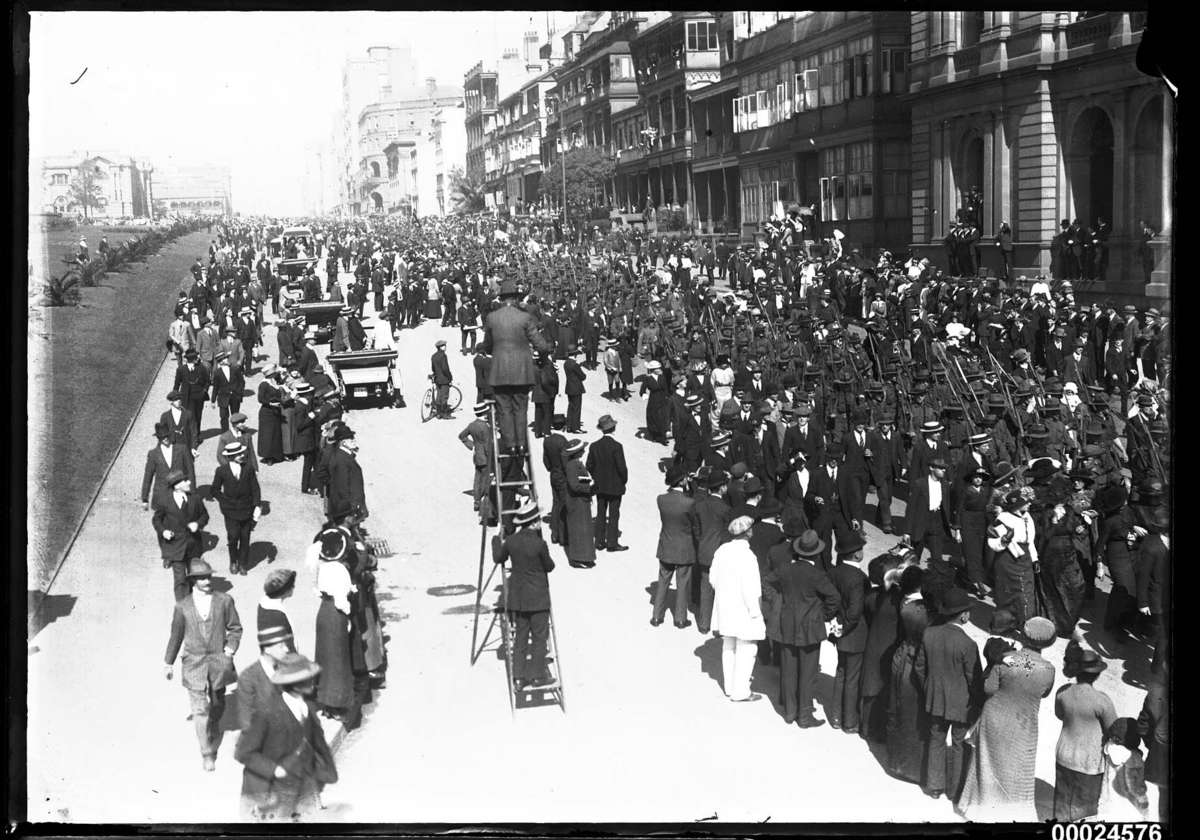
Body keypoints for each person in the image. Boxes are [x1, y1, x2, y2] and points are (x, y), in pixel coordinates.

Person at [955, 616, 1058, 821]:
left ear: (1024, 636)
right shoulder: (1048, 670)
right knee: (1018, 767)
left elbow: (989, 688)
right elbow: (1044, 693)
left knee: (987, 762)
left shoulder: (1005, 659)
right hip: (1024, 722)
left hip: (995, 717)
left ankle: (981, 808)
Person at [234, 652, 338, 821]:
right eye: (306, 678)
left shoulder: (307, 709)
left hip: (302, 787)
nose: (313, 681)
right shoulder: (266, 712)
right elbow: (243, 752)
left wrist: (327, 772)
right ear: (294, 684)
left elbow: (318, 743)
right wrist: (274, 769)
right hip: (268, 792)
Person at [162, 558, 242, 772]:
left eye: (208, 576)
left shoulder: (224, 600)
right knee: (199, 710)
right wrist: (168, 662)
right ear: (193, 580)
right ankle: (207, 753)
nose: (207, 581)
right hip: (194, 663)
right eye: (202, 578)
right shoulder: (182, 606)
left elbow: (235, 628)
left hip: (219, 662)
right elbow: (175, 635)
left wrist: (229, 650)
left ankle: (215, 723)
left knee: (217, 704)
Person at [915, 586, 983, 802]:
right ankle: (954, 790)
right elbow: (974, 679)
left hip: (934, 698)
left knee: (935, 739)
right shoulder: (968, 644)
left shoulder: (929, 634)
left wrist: (928, 688)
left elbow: (919, 667)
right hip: (960, 704)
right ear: (963, 616)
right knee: (958, 744)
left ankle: (934, 786)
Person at [766, 529, 840, 725]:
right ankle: (804, 715)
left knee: (788, 670)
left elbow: (767, 583)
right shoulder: (817, 575)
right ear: (815, 553)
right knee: (808, 673)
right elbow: (834, 597)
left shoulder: (785, 569)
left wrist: (777, 602)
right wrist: (823, 615)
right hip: (810, 628)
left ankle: (790, 712)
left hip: (787, 623)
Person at [479, 278, 552, 454]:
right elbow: (541, 345)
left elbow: (487, 346)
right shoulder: (525, 317)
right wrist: (544, 355)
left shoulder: (492, 318)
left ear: (502, 298)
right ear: (516, 298)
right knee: (520, 408)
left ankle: (510, 444)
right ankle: (521, 444)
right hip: (522, 372)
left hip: (500, 372)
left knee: (504, 409)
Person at [495, 500, 555, 689]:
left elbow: (499, 558)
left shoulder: (511, 541)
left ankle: (518, 678)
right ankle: (537, 676)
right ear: (534, 522)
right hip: (538, 598)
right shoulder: (539, 544)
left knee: (520, 638)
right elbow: (549, 566)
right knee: (539, 638)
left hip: (519, 599)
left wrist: (497, 540)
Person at [1053, 649, 1117, 821]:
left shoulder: (1063, 692)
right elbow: (1114, 730)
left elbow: (1059, 714)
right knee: (1084, 812)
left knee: (1062, 804)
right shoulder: (1102, 701)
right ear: (1096, 675)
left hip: (1063, 755)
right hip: (1089, 763)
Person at [709, 516, 766, 702]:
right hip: (744, 609)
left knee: (729, 645)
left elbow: (713, 579)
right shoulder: (749, 557)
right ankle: (741, 691)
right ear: (748, 533)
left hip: (725, 606)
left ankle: (729, 686)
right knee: (747, 648)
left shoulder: (721, 550)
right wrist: (756, 612)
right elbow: (752, 589)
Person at [829, 531, 868, 734]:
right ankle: (849, 721)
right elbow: (855, 612)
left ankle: (835, 716)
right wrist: (844, 626)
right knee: (852, 678)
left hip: (840, 633)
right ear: (855, 554)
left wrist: (835, 625)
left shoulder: (835, 572)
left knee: (841, 673)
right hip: (854, 634)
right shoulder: (859, 578)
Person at [153, 470, 210, 602]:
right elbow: (156, 520)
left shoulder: (195, 498)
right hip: (175, 546)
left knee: (193, 575)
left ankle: (193, 600)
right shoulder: (165, 501)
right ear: (177, 485)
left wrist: (198, 523)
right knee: (180, 579)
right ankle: (183, 607)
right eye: (185, 481)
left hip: (193, 545)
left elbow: (205, 516)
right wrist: (163, 531)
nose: (189, 482)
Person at [651, 465, 696, 629]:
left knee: (663, 579)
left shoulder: (661, 499)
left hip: (666, 544)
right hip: (684, 546)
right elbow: (693, 524)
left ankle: (657, 616)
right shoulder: (689, 503)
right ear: (683, 480)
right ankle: (680, 618)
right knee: (682, 582)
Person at [210, 441, 262, 576]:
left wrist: (257, 505)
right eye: (238, 454)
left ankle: (243, 564)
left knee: (245, 537)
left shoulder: (248, 468)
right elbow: (214, 490)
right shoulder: (221, 471)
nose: (242, 455)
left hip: (246, 509)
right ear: (231, 456)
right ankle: (233, 561)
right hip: (230, 511)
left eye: (241, 453)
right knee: (233, 537)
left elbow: (255, 488)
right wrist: (224, 501)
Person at [236, 623, 293, 731]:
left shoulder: (287, 670)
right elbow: (246, 720)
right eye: (281, 646)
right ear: (267, 649)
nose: (286, 649)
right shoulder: (248, 678)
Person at [586, 414, 629, 553]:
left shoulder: (594, 446)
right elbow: (622, 468)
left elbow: (589, 465)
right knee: (614, 514)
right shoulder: (617, 447)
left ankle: (599, 541)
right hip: (615, 486)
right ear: (613, 428)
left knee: (601, 513)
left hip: (600, 486)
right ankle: (612, 543)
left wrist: (596, 478)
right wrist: (623, 480)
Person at [141, 421, 196, 510]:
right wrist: (145, 498)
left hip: (180, 495)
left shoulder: (182, 449)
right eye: (162, 437)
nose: (165, 438)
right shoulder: (153, 454)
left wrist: (192, 493)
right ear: (158, 438)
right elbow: (148, 476)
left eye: (167, 436)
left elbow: (190, 471)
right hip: (161, 497)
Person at [562, 439, 597, 569]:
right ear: (577, 453)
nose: (584, 451)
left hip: (581, 501)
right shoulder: (572, 465)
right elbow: (574, 485)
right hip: (577, 502)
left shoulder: (576, 463)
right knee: (578, 530)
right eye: (582, 449)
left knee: (584, 530)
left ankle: (585, 556)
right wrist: (589, 487)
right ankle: (577, 558)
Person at [459, 401, 495, 513]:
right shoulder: (485, 427)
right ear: (484, 413)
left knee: (478, 478)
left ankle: (476, 500)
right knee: (486, 479)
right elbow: (487, 446)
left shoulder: (472, 425)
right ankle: (482, 502)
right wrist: (492, 460)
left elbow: (462, 436)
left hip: (477, 456)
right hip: (485, 456)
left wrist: (472, 445)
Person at [258, 568, 297, 652]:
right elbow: (285, 645)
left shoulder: (264, 603)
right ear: (284, 590)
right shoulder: (277, 614)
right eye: (292, 586)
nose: (294, 587)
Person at [562, 346, 586, 433]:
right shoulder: (575, 364)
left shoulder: (566, 363)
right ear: (575, 354)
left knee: (571, 406)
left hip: (569, 387)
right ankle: (575, 427)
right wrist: (579, 366)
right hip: (576, 388)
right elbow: (583, 377)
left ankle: (569, 426)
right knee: (577, 408)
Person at [430, 339, 453, 419]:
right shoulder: (443, 356)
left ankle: (439, 413)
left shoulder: (433, 356)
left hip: (437, 379)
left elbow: (433, 368)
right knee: (444, 397)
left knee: (439, 396)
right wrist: (450, 377)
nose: (445, 347)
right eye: (444, 346)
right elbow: (445, 369)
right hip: (444, 379)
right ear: (441, 347)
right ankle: (445, 414)